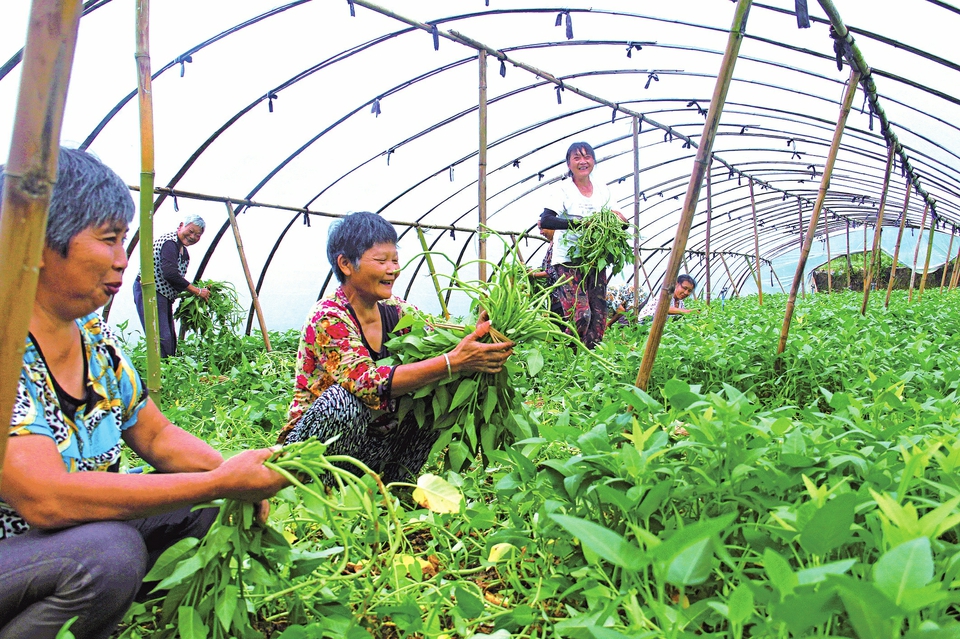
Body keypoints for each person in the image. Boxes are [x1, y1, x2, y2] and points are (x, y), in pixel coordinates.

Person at [0, 148, 289, 639]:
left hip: (73, 534)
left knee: (203, 510)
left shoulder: (93, 336)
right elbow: (44, 498)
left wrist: (229, 473)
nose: (122, 259)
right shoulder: (6, 346)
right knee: (109, 554)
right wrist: (219, 482)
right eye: (109, 240)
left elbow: (154, 433)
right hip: (20, 549)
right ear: (39, 244)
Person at [278, 212, 514, 484]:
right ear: (345, 264)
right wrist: (454, 361)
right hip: (312, 449)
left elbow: (436, 335)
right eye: (381, 261)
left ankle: (398, 482)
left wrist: (479, 334)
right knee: (343, 402)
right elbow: (367, 384)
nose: (393, 269)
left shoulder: (395, 310)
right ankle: (320, 486)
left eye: (395, 260)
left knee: (433, 388)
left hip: (369, 443)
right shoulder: (329, 316)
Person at [539, 142, 628, 349]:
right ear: (569, 164)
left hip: (595, 260)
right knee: (581, 316)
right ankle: (568, 356)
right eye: (577, 158)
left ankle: (589, 361)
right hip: (568, 261)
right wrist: (581, 223)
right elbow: (546, 221)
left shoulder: (602, 191)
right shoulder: (562, 190)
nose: (583, 161)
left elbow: (620, 219)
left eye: (587, 157)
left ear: (594, 161)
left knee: (599, 317)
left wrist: (619, 221)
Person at [133, 213, 210, 357]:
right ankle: (160, 375)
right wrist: (197, 291)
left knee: (170, 340)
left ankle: (168, 372)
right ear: (181, 226)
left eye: (198, 235)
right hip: (150, 291)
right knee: (162, 338)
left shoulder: (183, 251)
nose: (193, 236)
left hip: (164, 295)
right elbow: (170, 274)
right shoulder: (170, 243)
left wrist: (195, 292)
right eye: (191, 231)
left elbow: (176, 280)